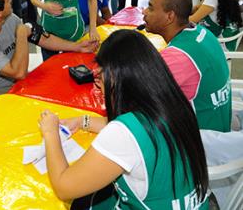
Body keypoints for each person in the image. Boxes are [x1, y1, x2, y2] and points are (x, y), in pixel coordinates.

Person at [39, 30, 209, 209]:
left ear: (116, 76)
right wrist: (83, 121)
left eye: (101, 72)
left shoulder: (124, 133)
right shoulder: (172, 103)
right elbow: (140, 133)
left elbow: (64, 187)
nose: (96, 77)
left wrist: (51, 133)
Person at [0, 0, 97, 103]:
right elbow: (18, 73)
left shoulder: (9, 18)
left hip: (18, 83)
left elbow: (43, 39)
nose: (11, 0)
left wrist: (77, 47)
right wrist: (21, 34)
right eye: (7, 0)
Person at [143, 0, 231, 132]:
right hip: (219, 130)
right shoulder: (203, 33)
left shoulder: (177, 57)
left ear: (170, 17)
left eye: (150, 8)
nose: (144, 12)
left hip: (199, 144)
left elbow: (138, 102)